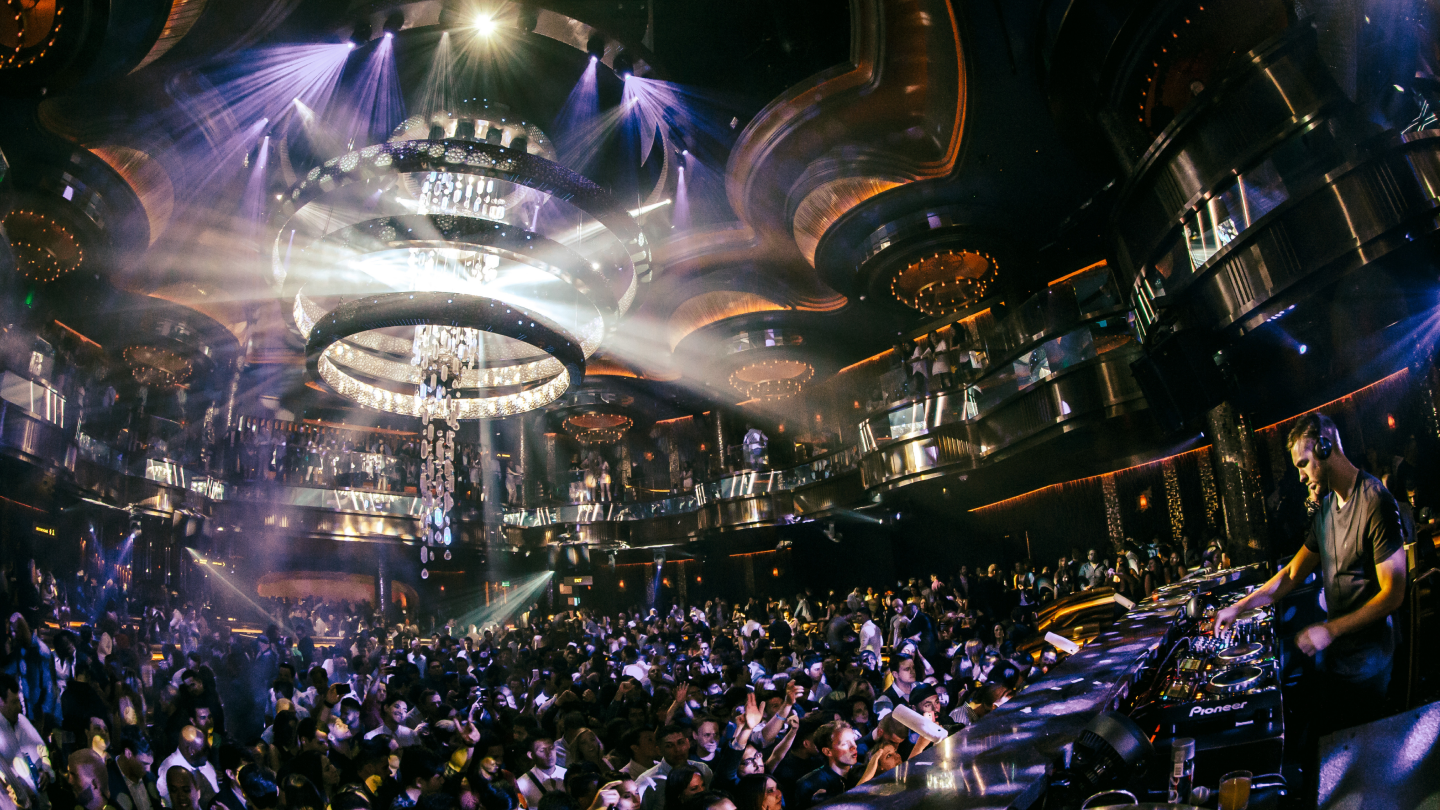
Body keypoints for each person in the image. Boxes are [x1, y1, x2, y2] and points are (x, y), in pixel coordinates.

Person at [1217, 413, 1407, 734]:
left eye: (1303, 464)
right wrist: (1239, 607)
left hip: (1368, 663)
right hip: (1336, 659)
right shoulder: (1327, 508)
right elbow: (1292, 572)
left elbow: (1393, 594)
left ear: (1325, 449)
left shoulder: (1375, 501)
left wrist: (1330, 630)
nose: (1301, 477)